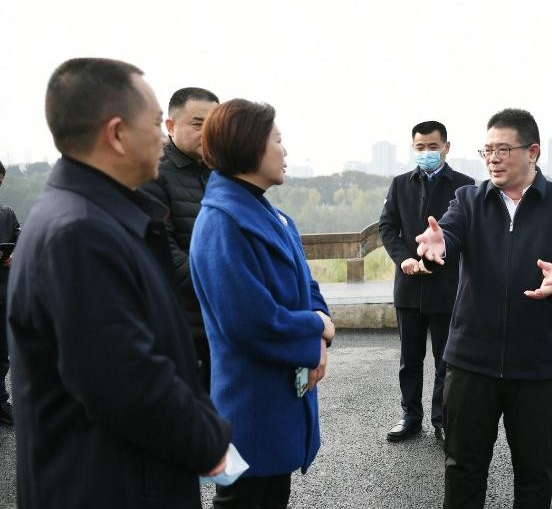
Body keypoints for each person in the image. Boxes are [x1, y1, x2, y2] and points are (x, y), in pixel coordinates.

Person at [7, 58, 230, 508]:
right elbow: (127, 384)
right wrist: (210, 439)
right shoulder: (79, 234)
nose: (161, 138)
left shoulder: (93, 215)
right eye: (154, 123)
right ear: (116, 134)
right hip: (109, 486)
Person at [416, 108, 552, 508]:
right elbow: (449, 234)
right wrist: (438, 245)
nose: (493, 159)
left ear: (532, 152)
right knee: (463, 471)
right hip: (471, 363)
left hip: (537, 368)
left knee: (536, 475)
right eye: (487, 151)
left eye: (503, 150)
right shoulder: (468, 200)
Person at [190, 99, 334, 508]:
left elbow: (307, 284)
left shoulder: (271, 213)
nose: (285, 151)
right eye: (277, 140)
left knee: (272, 495)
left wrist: (320, 328)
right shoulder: (222, 223)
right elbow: (250, 322)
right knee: (245, 498)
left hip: (276, 401)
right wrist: (317, 329)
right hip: (250, 404)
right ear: (250, 145)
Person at [379, 121, 474, 444]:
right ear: (413, 148)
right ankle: (410, 416)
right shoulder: (400, 184)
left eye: (433, 147)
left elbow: (468, 234)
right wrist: (404, 258)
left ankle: (442, 420)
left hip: (447, 286)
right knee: (410, 359)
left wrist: (437, 255)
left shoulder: (465, 186)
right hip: (408, 286)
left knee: (446, 361)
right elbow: (387, 228)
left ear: (446, 147)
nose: (426, 153)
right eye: (420, 147)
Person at [140, 87, 219, 391]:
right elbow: (163, 254)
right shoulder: (153, 174)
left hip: (221, 322)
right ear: (170, 126)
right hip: (181, 327)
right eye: (198, 124)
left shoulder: (222, 172)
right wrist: (222, 282)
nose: (207, 132)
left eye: (214, 124)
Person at [0, 161, 20, 426]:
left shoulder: (7, 214)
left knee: (2, 353)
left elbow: (20, 239)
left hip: (3, 294)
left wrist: (14, 256)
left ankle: (0, 401)